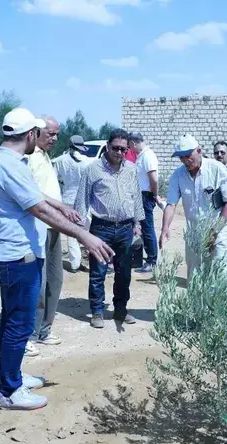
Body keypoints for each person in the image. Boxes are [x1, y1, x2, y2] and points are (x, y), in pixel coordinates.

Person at [0, 107, 114, 411]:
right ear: (29, 135)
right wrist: (84, 235)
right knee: (19, 324)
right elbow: (37, 208)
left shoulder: (3, 160)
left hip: (15, 253)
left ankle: (12, 376)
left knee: (14, 320)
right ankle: (10, 392)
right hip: (17, 256)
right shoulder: (9, 165)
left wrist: (62, 207)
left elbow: (37, 198)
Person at [74, 128, 144, 329]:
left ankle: (120, 309)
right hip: (101, 228)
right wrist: (81, 231)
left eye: (123, 149)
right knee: (98, 272)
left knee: (124, 273)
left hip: (125, 228)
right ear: (107, 146)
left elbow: (137, 198)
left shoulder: (131, 169)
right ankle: (97, 310)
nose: (119, 153)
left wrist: (137, 224)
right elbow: (82, 200)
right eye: (116, 148)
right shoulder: (93, 169)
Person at [159, 134, 227, 280]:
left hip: (221, 231)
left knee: (221, 277)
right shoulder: (178, 175)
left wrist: (214, 231)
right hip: (195, 232)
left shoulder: (216, 169)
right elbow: (171, 204)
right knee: (195, 279)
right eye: (181, 157)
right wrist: (165, 228)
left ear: (199, 151)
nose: (185, 161)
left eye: (188, 155)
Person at [24, 115, 63, 358]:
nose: (55, 139)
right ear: (36, 132)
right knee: (36, 284)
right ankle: (28, 335)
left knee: (55, 279)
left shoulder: (44, 156)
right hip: (37, 228)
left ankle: (44, 330)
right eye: (50, 134)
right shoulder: (28, 158)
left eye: (57, 134)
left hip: (54, 226)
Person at [53, 135, 92, 273]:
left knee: (71, 233)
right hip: (84, 200)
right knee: (87, 231)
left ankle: (75, 264)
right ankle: (92, 261)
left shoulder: (60, 161)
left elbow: (55, 180)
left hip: (67, 199)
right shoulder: (88, 162)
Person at [128, 131, 164, 273]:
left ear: (134, 143)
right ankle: (148, 258)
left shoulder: (148, 156)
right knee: (143, 228)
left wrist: (155, 195)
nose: (130, 149)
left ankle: (152, 261)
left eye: (130, 146)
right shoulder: (142, 156)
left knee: (147, 229)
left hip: (146, 196)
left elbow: (153, 179)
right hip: (140, 195)